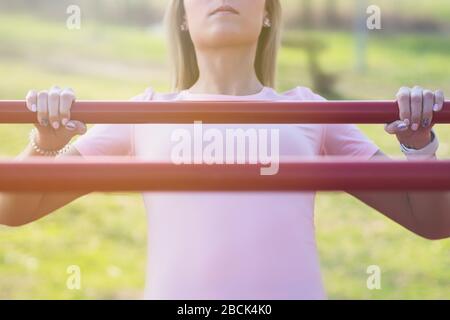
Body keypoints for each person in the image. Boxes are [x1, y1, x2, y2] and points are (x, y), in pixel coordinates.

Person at [0, 0, 448, 299]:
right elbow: (15, 208)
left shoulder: (309, 111)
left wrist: (420, 145)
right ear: (181, 16)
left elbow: (430, 222)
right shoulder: (144, 114)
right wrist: (44, 144)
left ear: (269, 13)